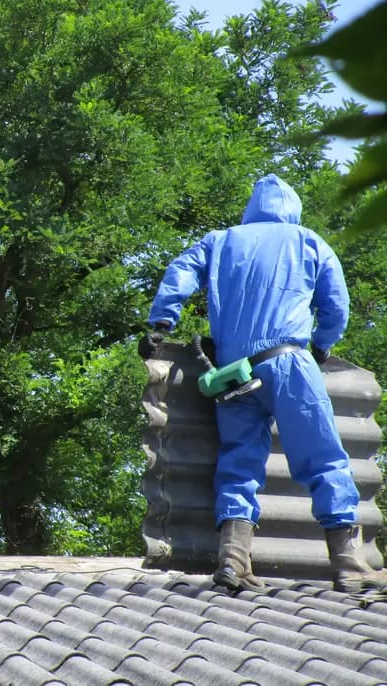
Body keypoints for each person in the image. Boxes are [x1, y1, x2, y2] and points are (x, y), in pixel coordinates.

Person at [140, 173, 387, 594]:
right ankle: (349, 564)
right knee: (324, 459)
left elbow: (182, 270)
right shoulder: (307, 241)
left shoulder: (220, 240)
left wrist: (162, 322)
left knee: (238, 463)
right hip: (289, 364)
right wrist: (323, 345)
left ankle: (234, 561)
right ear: (292, 209)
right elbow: (335, 306)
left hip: (233, 373)